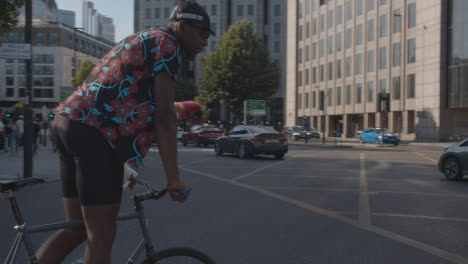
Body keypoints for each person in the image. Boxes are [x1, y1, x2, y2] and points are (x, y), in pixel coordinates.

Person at [35, 2, 214, 264]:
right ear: (183, 27)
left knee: (77, 227)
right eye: (203, 34)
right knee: (101, 236)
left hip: (68, 121)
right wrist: (173, 178)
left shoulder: (141, 38)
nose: (205, 42)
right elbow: (164, 114)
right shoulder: (168, 45)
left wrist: (122, 164)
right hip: (93, 131)